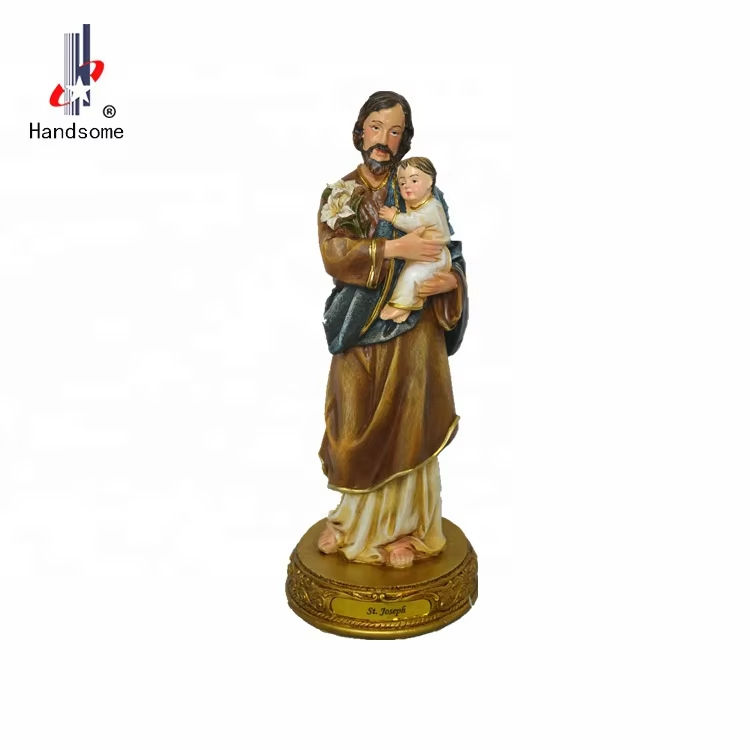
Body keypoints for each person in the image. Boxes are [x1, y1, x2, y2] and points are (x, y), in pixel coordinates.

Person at [316, 91, 468, 569]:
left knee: (409, 426)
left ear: (405, 139)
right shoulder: (342, 193)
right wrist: (393, 250)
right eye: (377, 127)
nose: (384, 140)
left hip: (414, 336)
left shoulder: (419, 187)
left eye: (396, 131)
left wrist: (451, 283)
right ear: (361, 131)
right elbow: (334, 254)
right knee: (352, 426)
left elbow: (448, 249)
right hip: (359, 327)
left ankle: (407, 529)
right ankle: (352, 523)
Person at [378, 157, 452, 323]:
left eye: (414, 180)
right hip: (421, 253)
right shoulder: (417, 203)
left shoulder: (432, 207)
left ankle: (400, 306)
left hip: (434, 255)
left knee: (412, 275)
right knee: (409, 276)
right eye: (402, 183)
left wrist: (394, 217)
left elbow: (414, 222)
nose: (406, 186)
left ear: (430, 182)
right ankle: (406, 307)